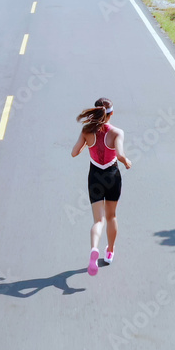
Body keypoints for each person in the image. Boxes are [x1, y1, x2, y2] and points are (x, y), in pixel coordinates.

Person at [70, 97, 132, 276]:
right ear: (111, 113)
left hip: (95, 176)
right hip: (112, 176)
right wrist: (127, 161)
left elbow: (74, 153)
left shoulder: (86, 130)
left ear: (94, 113)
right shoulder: (117, 132)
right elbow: (120, 155)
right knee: (112, 216)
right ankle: (110, 251)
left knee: (98, 220)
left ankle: (94, 249)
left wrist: (85, 144)